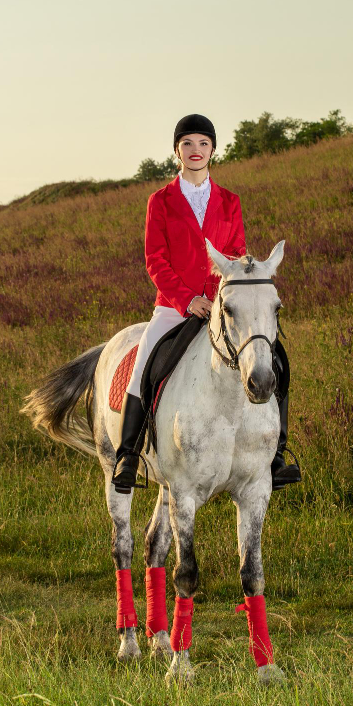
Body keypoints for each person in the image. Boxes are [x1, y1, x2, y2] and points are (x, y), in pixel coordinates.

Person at [112, 113, 301, 493]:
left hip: (221, 304)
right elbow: (155, 260)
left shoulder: (230, 201)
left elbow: (235, 254)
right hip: (173, 306)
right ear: (177, 151)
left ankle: (277, 454)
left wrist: (219, 297)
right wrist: (186, 300)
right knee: (143, 364)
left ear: (213, 149)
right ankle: (128, 455)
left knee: (275, 356)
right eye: (187, 144)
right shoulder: (160, 201)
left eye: (203, 143)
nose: (195, 150)